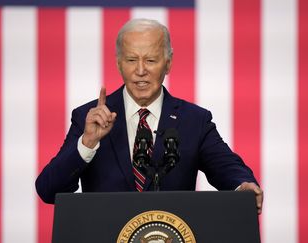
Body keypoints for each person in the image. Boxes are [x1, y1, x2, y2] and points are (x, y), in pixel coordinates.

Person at [35, 19, 263, 214]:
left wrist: (242, 186)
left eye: (151, 60)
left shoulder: (194, 120)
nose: (141, 70)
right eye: (131, 60)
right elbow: (48, 190)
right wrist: (87, 144)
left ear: (168, 63)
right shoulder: (89, 118)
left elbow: (228, 167)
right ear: (118, 63)